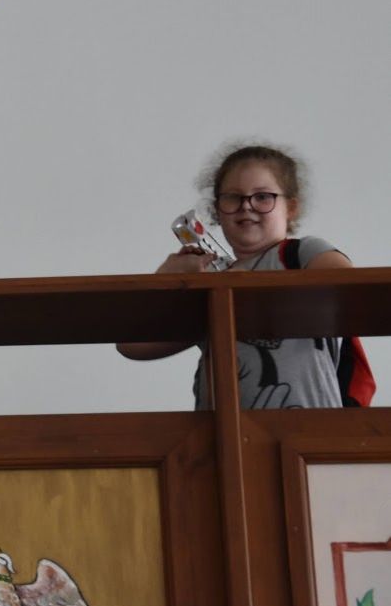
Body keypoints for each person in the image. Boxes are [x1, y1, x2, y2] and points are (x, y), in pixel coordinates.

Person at [116, 143, 354, 408]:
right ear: (217, 210)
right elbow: (132, 344)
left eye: (262, 196)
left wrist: (246, 286)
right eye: (232, 197)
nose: (246, 206)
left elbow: (350, 288)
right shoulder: (209, 282)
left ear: (290, 207)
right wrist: (166, 279)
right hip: (220, 429)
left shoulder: (301, 253)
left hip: (304, 427)